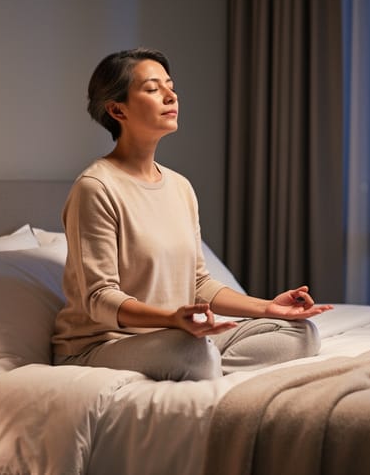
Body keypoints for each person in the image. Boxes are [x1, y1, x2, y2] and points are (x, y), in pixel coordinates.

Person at [51, 48, 333, 381]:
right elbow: (100, 299)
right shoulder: (96, 187)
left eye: (170, 86)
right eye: (154, 89)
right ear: (117, 110)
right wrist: (173, 319)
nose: (171, 96)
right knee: (193, 351)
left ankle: (201, 367)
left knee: (301, 333)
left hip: (178, 337)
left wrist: (268, 307)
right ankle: (198, 364)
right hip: (102, 347)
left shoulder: (179, 186)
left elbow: (199, 284)